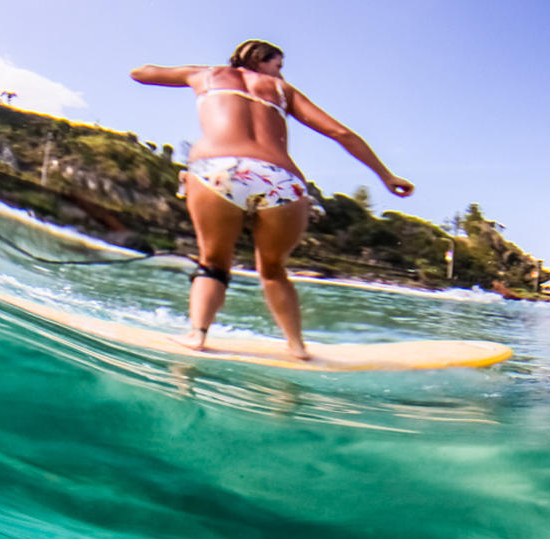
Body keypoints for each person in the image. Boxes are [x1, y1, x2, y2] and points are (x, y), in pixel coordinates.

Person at [131, 40, 414, 360]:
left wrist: (188, 72)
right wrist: (387, 176)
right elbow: (341, 133)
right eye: (278, 65)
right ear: (259, 60)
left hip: (217, 169)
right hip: (280, 179)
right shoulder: (282, 90)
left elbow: (141, 73)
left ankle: (197, 335)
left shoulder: (206, 75)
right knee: (273, 269)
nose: (280, 73)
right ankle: (297, 347)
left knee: (213, 262)